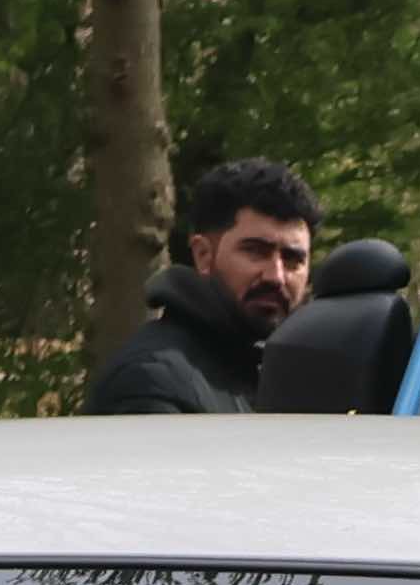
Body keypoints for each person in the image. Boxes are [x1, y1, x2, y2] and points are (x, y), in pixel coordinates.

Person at [85, 157, 322, 415]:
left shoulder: (295, 376)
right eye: (255, 251)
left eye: (293, 259)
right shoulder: (149, 383)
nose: (276, 276)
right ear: (203, 255)